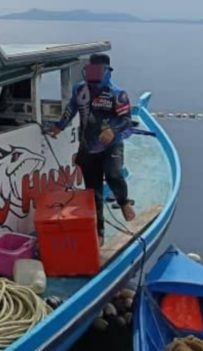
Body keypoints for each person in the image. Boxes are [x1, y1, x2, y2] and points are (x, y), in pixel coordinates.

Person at [49, 53, 136, 245]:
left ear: (107, 72)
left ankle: (123, 202)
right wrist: (58, 126)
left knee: (114, 175)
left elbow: (127, 120)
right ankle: (99, 232)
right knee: (93, 193)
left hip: (111, 146)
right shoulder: (79, 89)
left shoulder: (117, 94)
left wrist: (113, 130)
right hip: (88, 148)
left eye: (98, 71)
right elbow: (71, 110)